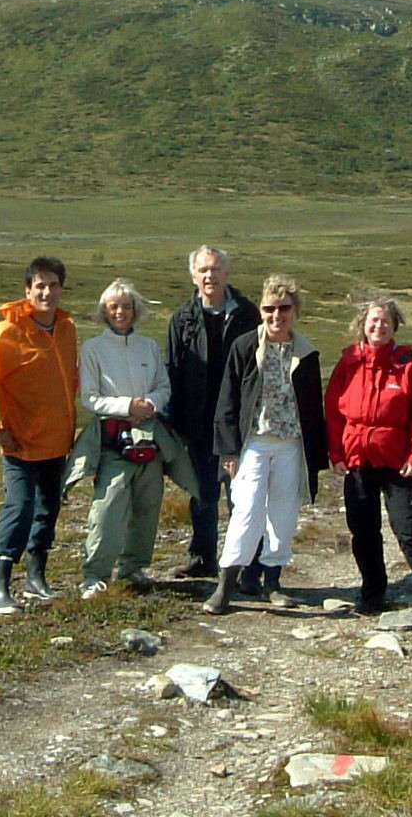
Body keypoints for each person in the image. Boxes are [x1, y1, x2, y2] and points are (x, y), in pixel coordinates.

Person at [202, 274, 327, 615]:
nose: (276, 316)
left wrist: (317, 458)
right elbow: (227, 401)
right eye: (269, 308)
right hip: (253, 444)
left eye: (283, 308)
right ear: (261, 310)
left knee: (284, 514)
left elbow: (314, 409)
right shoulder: (244, 347)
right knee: (246, 511)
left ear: (295, 311)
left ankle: (272, 581)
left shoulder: (306, 353)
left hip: (291, 445)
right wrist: (228, 449)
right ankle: (227, 585)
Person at [0, 256, 79, 615]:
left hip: (57, 442)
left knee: (48, 509)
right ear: (28, 291)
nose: (47, 292)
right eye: (39, 286)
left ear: (61, 289)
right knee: (20, 508)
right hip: (20, 444)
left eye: (53, 285)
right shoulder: (7, 332)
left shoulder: (67, 328)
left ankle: (36, 577)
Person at [325, 295, 412, 621]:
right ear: (363, 324)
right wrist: (336, 453)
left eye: (385, 322)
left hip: (396, 461)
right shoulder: (348, 362)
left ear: (395, 326)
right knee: (363, 531)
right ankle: (372, 592)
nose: (379, 326)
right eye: (373, 321)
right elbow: (334, 412)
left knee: (408, 528)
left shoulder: (406, 364)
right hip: (357, 459)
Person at [74, 278, 172, 599]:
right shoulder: (93, 349)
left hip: (149, 437)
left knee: (147, 503)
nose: (121, 312)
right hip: (113, 439)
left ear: (136, 310)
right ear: (104, 311)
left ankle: (133, 567)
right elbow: (89, 397)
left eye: (127, 306)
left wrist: (149, 405)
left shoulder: (149, 347)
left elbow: (163, 386)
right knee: (108, 506)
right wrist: (127, 406)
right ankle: (96, 574)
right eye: (114, 306)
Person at [166, 245, 260, 578]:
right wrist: (176, 422)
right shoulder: (182, 318)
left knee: (242, 496)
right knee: (202, 494)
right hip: (199, 420)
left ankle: (248, 565)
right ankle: (203, 557)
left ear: (227, 275)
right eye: (204, 270)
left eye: (216, 269)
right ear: (194, 275)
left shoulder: (249, 315)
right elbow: (173, 371)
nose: (210, 276)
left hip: (238, 420)